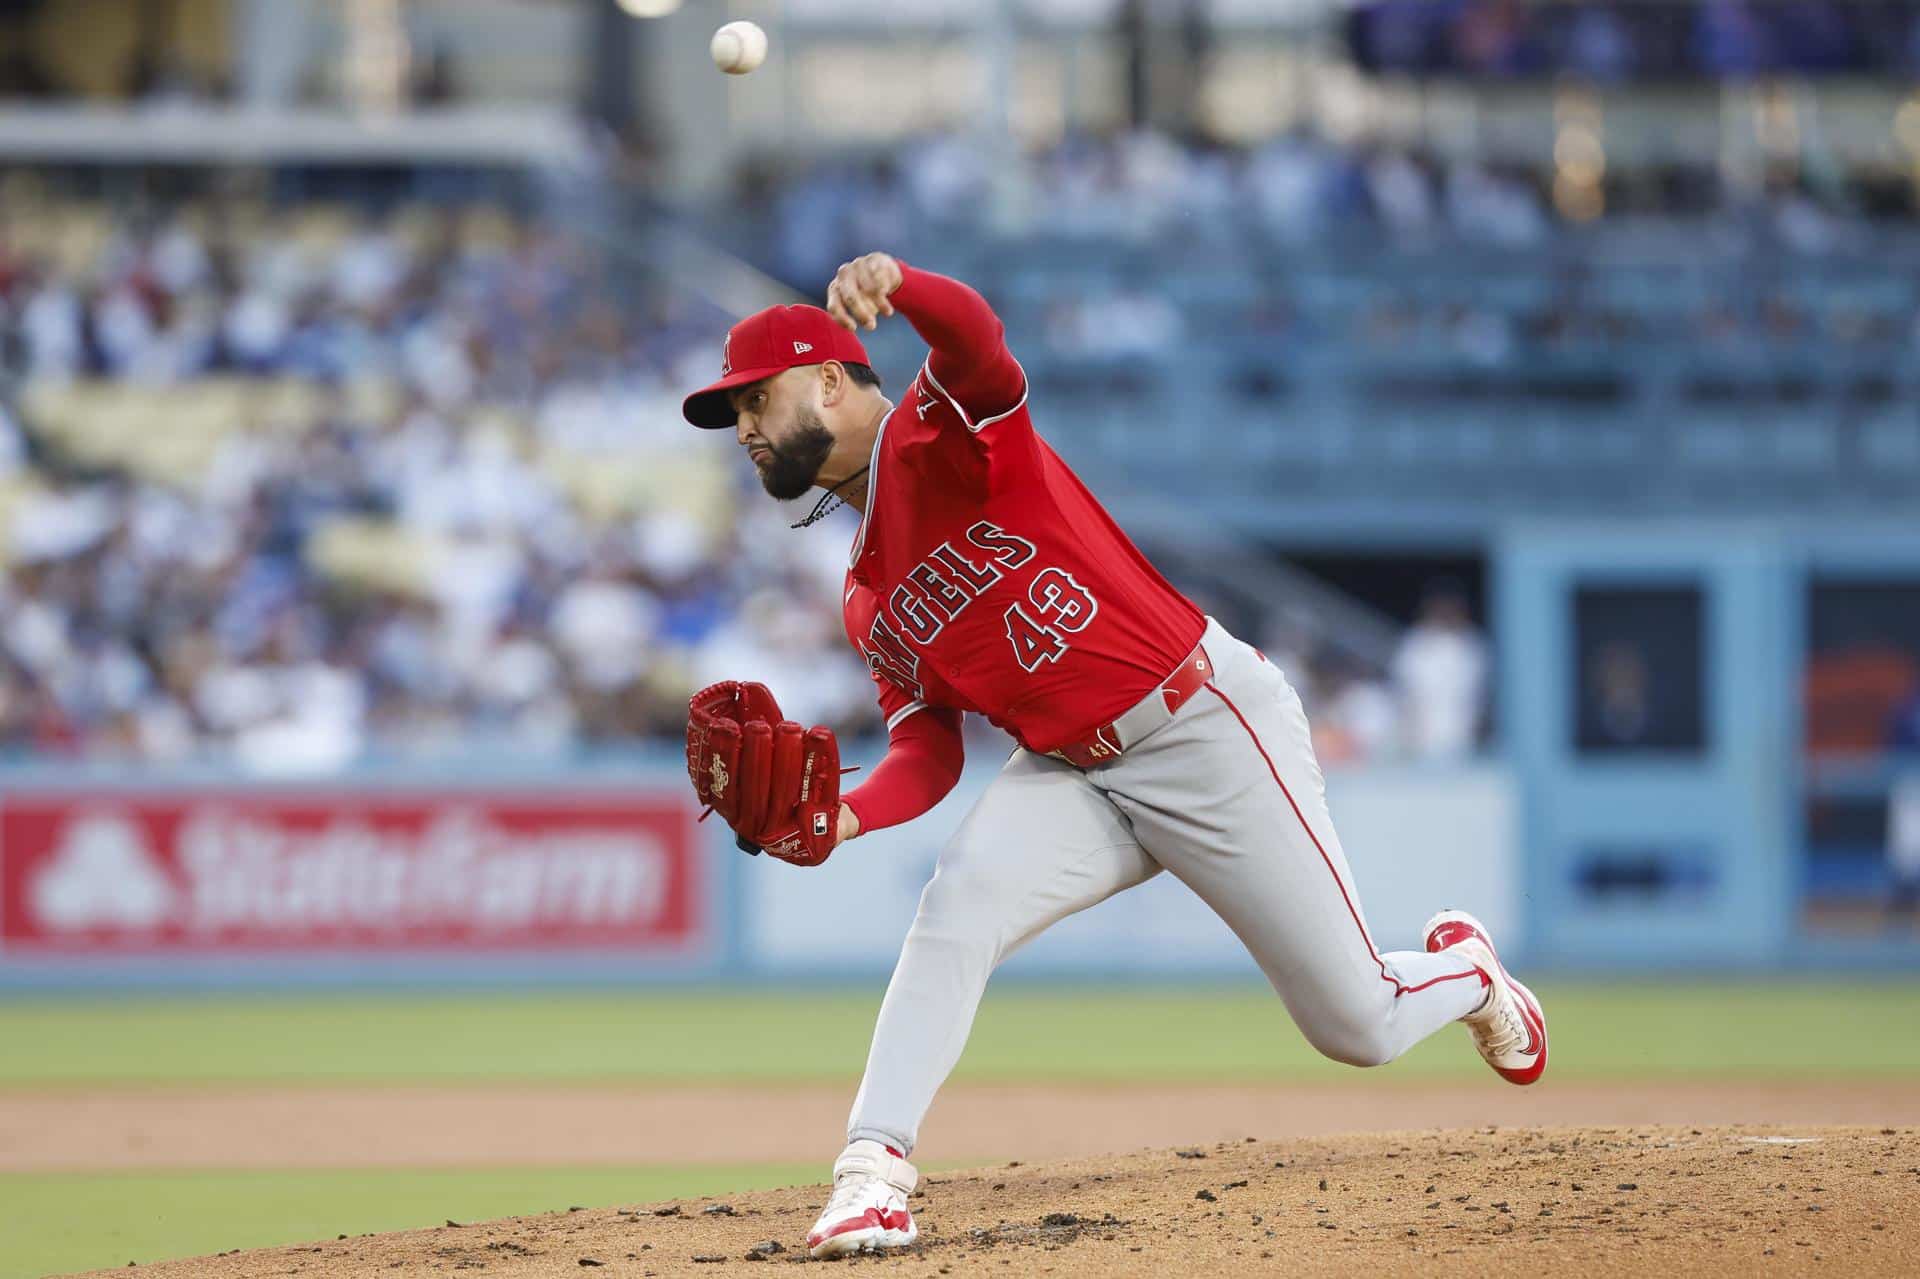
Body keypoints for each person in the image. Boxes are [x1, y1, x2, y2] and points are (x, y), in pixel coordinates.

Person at [680, 254, 1548, 1259]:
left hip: (1199, 725)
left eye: (754, 398)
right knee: (956, 904)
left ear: (831, 377)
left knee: (1356, 1024)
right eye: (731, 412)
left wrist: (900, 284)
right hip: (1074, 771)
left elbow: (979, 342)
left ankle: (1472, 977)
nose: (742, 426)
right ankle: (872, 1174)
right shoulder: (867, 594)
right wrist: (848, 815)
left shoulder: (940, 425)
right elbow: (926, 746)